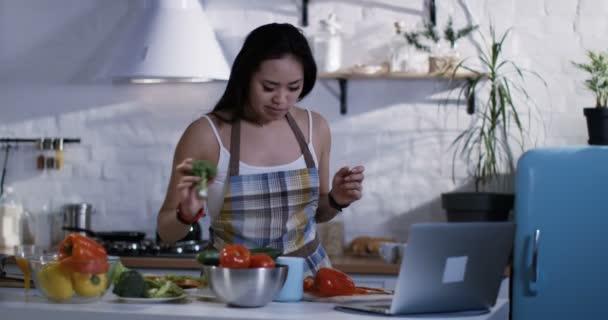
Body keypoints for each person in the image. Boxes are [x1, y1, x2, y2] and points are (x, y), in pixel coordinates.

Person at [157, 23, 365, 275]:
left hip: (309, 277)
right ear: (245, 77)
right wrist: (186, 214)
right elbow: (166, 233)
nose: (281, 99)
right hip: (232, 281)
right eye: (268, 87)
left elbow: (318, 213)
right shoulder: (206, 135)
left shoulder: (316, 128)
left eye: (293, 88)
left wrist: (336, 199)